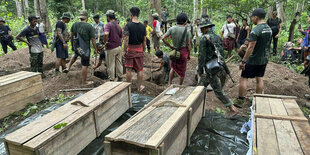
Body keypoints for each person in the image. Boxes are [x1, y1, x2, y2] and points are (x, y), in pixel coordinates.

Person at [197, 20, 239, 115]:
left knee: (218, 90)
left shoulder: (204, 38)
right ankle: (194, 103)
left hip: (210, 68)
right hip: (216, 65)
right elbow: (221, 53)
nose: (201, 30)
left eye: (202, 28)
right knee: (200, 87)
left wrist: (200, 70)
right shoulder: (217, 37)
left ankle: (232, 108)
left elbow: (201, 56)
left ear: (205, 28)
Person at [236, 8, 272, 107]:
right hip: (264, 58)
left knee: (243, 78)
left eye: (252, 17)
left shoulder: (256, 29)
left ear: (256, 17)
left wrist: (243, 61)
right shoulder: (269, 29)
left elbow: (251, 47)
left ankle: (240, 100)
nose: (252, 19)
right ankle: (259, 100)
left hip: (253, 59)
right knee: (259, 78)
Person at [68, 10, 98, 85]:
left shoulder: (74, 24)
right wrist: (95, 49)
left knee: (75, 55)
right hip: (85, 49)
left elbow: (71, 36)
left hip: (77, 46)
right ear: (87, 17)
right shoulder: (89, 26)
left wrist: (72, 46)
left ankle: (68, 68)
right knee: (84, 64)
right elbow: (93, 40)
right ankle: (84, 82)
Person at [162, 13, 192, 85]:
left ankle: (169, 83)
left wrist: (170, 46)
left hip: (175, 51)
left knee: (173, 67)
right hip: (183, 52)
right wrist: (189, 54)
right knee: (182, 70)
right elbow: (188, 44)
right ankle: (180, 85)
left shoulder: (172, 29)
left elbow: (163, 38)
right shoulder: (187, 31)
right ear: (185, 21)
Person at [123, 7, 146, 91]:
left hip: (130, 49)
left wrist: (124, 50)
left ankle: (128, 87)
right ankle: (139, 87)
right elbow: (144, 40)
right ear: (138, 15)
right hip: (139, 49)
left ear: (131, 14)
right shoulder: (143, 26)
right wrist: (143, 50)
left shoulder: (128, 25)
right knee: (140, 69)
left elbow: (126, 39)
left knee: (128, 69)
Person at [103, 10, 123, 81]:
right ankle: (120, 77)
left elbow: (106, 34)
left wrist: (105, 43)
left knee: (110, 64)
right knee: (119, 63)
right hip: (119, 47)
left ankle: (111, 79)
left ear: (108, 17)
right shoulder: (118, 25)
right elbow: (121, 37)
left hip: (111, 47)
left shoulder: (108, 25)